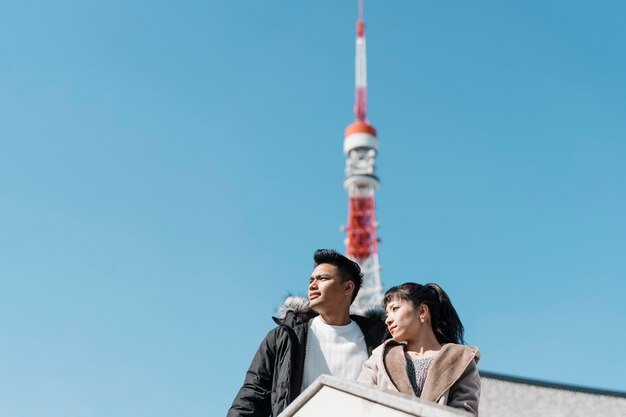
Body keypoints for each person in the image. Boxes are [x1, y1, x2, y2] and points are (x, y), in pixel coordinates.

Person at [227, 249, 388, 417]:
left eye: (323, 278)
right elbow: (252, 397)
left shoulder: (381, 342)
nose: (312, 285)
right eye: (311, 280)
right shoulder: (286, 337)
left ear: (348, 287)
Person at [357, 282, 481, 415]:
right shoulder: (379, 358)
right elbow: (359, 404)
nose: (388, 320)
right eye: (387, 314)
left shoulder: (460, 359)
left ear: (422, 311)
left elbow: (465, 411)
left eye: (395, 309)